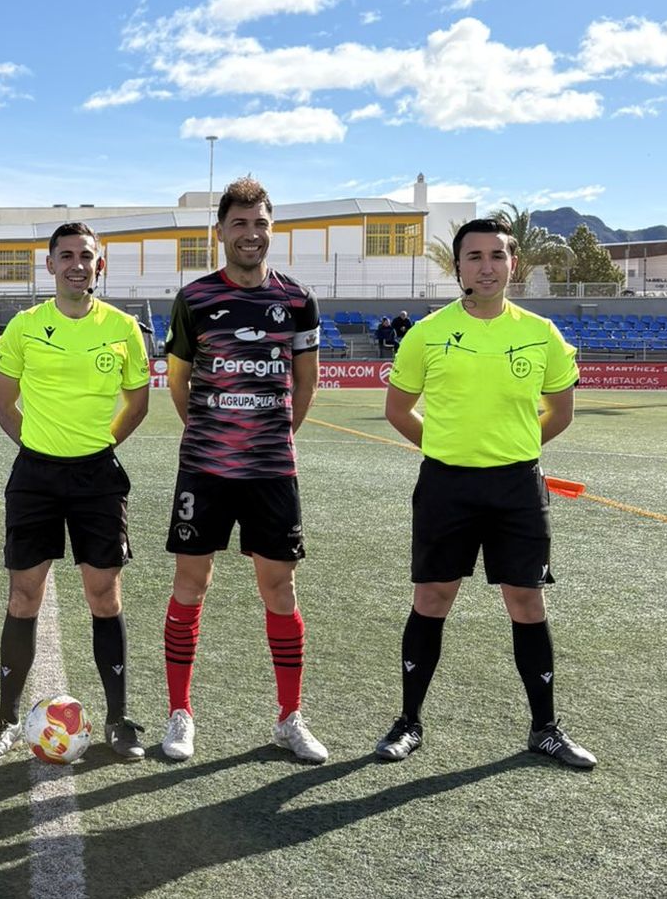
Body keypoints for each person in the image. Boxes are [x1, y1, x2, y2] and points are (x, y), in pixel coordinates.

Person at [374, 217, 595, 769]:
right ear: (458, 267)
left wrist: (508, 451)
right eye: (474, 256)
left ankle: (545, 728)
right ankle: (408, 722)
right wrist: (452, 449)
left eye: (497, 255)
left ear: (512, 264)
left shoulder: (541, 333)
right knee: (432, 600)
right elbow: (398, 411)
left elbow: (560, 413)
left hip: (517, 486)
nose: (487, 266)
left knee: (527, 601)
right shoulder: (427, 332)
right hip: (446, 485)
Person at [158, 177, 328, 764]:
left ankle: (289, 718)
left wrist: (273, 438)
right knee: (190, 586)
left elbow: (305, 384)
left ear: (271, 228)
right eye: (239, 223)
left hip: (272, 472)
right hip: (205, 469)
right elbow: (178, 383)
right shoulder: (195, 298)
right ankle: (181, 714)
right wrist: (211, 433)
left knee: (279, 589)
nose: (250, 234)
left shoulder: (299, 299)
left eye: (259, 223)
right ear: (221, 231)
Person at [0, 222, 152, 762]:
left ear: (101, 265)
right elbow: (2, 405)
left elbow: (138, 403)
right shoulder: (25, 327)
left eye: (87, 256)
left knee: (104, 596)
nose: (78, 264)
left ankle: (119, 721)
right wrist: (42, 450)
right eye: (67, 256)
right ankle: (5, 718)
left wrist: (96, 447)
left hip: (98, 479)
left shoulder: (123, 328)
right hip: (35, 478)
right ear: (49, 265)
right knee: (23, 596)